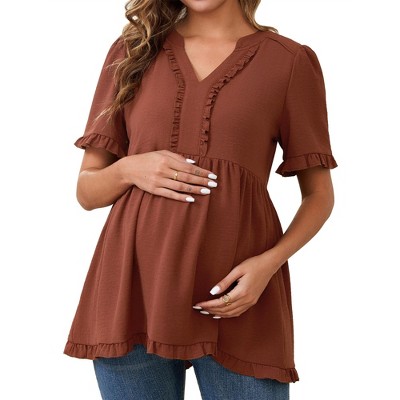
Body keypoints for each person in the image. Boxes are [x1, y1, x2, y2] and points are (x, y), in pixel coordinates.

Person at [64, 0, 337, 399]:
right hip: (132, 294)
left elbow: (319, 195)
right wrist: (128, 169)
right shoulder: (134, 50)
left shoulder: (290, 62)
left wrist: (268, 265)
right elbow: (87, 192)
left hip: (236, 299)